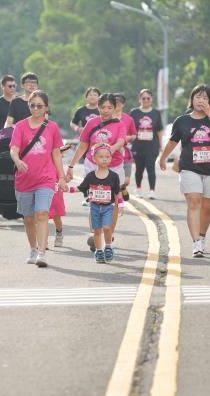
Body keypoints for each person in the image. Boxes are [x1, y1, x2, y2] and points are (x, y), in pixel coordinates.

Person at [159, 84, 210, 258]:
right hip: (190, 168)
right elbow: (173, 141)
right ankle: (196, 242)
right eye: (198, 97)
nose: (201, 100)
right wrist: (162, 157)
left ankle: (202, 236)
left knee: (207, 206)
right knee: (194, 201)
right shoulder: (182, 121)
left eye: (205, 98)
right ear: (191, 99)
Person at [10, 90, 67, 267]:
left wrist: (62, 177)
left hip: (46, 178)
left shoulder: (52, 127)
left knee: (42, 213)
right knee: (28, 218)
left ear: (46, 108)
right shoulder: (20, 126)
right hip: (24, 179)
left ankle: (42, 253)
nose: (35, 108)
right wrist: (18, 160)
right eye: (32, 105)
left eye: (39, 106)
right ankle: (33, 248)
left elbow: (56, 153)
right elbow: (13, 149)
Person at [66, 93, 126, 249]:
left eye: (109, 107)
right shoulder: (91, 123)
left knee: (111, 201)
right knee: (95, 199)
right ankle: (95, 234)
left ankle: (109, 235)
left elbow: (120, 141)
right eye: (103, 107)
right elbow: (83, 146)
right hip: (92, 165)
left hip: (114, 166)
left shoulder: (119, 124)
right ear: (98, 107)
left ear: (115, 108)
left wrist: (109, 150)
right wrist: (71, 166)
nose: (106, 110)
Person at [69, 145, 120, 263]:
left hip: (108, 207)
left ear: (111, 158)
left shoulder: (114, 176)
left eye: (107, 157)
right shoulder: (91, 176)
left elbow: (117, 193)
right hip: (94, 207)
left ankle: (108, 247)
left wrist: (119, 206)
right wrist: (69, 189)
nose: (104, 159)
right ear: (94, 159)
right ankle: (98, 251)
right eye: (101, 157)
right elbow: (81, 187)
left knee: (107, 228)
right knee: (97, 231)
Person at [130, 89, 163, 199]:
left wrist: (160, 144)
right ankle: (138, 188)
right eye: (143, 98)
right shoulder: (134, 112)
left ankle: (152, 191)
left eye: (148, 98)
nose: (146, 100)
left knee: (151, 168)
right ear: (140, 99)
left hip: (152, 146)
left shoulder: (156, 113)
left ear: (151, 99)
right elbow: (130, 128)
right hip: (138, 146)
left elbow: (159, 130)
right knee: (139, 169)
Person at [113, 93, 137, 201]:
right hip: (111, 152)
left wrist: (126, 138)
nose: (117, 103)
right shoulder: (107, 117)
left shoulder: (128, 119)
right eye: (114, 101)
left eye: (119, 102)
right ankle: (116, 198)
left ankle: (122, 188)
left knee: (126, 180)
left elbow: (134, 135)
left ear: (123, 104)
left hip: (125, 151)